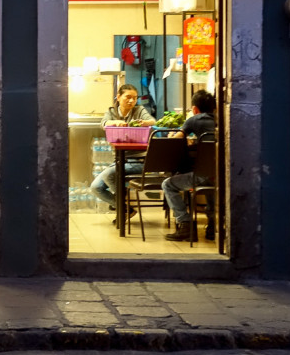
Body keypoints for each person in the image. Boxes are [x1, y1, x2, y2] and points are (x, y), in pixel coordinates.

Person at [90, 84, 156, 219]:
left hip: (139, 160)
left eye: (135, 98)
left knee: (109, 175)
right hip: (120, 160)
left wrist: (143, 122)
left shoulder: (139, 110)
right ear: (119, 97)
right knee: (96, 187)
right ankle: (126, 208)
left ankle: (121, 207)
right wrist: (115, 122)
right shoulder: (112, 111)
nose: (132, 101)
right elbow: (103, 123)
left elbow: (152, 121)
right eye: (128, 97)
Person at [162, 89, 218, 241]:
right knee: (210, 176)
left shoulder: (194, 120)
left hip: (203, 176)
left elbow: (176, 140)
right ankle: (213, 225)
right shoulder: (222, 120)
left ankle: (185, 223)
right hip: (222, 175)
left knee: (168, 184)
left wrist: (173, 135)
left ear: (194, 109)